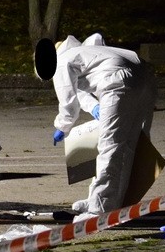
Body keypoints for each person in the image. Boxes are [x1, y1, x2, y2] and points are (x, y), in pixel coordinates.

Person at [50, 32, 157, 218]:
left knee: (110, 147)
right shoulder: (87, 52)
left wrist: (62, 126)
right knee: (130, 146)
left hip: (118, 83)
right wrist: (95, 107)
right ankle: (115, 201)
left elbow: (68, 99)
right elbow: (80, 91)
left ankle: (100, 208)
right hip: (145, 80)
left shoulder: (61, 62)